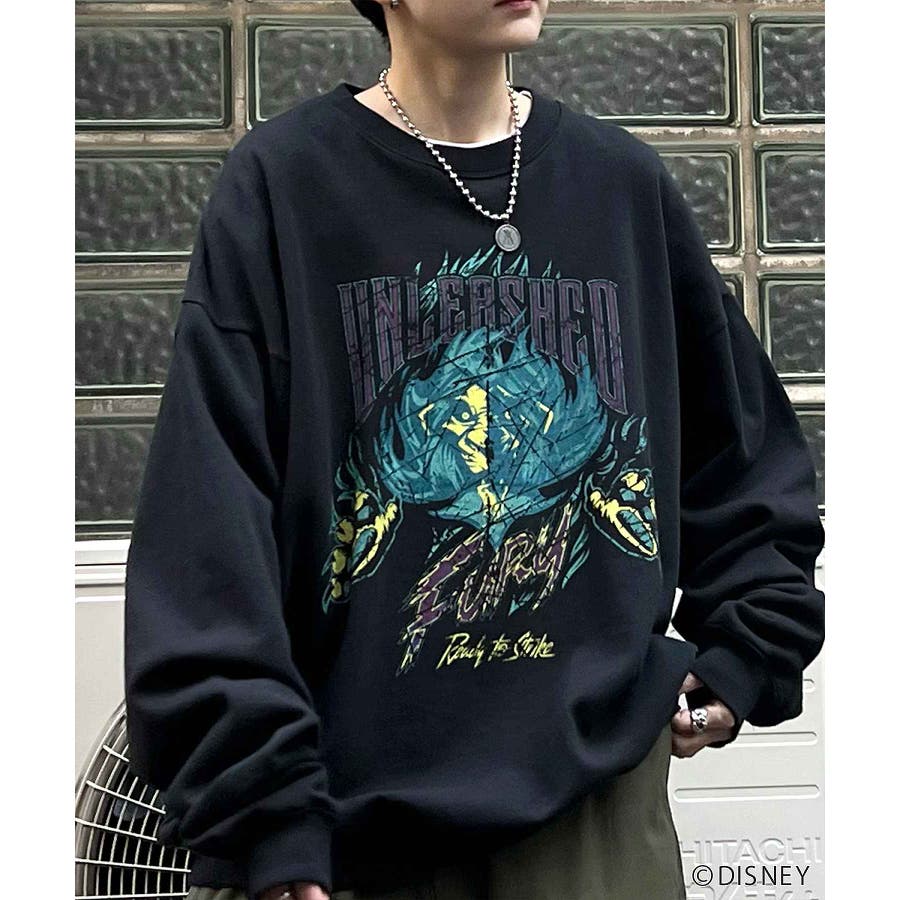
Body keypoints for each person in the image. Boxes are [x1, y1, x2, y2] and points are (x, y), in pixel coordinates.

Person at [122, 1, 826, 899]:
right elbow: (206, 528)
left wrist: (748, 647)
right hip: (347, 836)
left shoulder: (619, 186)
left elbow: (742, 454)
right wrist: (263, 813)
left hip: (593, 827)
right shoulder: (286, 186)